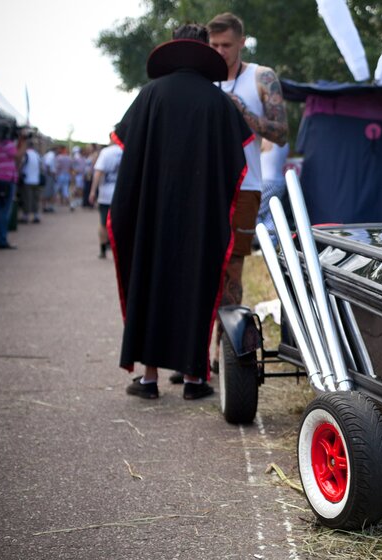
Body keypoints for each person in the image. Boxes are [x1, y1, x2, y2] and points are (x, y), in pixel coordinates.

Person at [108, 23, 253, 400]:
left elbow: (128, 158)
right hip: (200, 220)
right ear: (204, 50)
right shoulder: (217, 102)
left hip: (151, 218)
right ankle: (193, 379)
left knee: (150, 284)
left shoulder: (149, 95)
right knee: (196, 286)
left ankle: (150, 379)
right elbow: (237, 166)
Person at [165, 13, 287, 383]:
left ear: (241, 43)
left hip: (245, 187)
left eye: (225, 46)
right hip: (199, 190)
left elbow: (281, 134)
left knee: (231, 270)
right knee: (190, 269)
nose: (218, 52)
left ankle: (225, 356)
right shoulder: (197, 78)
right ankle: (191, 359)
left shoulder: (261, 76)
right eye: (213, 46)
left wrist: (243, 112)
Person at [0, 124, 21, 249]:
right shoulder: (8, 144)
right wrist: (22, 142)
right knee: (4, 211)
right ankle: (1, 239)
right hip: (7, 180)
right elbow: (18, 156)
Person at [89, 133, 121, 259]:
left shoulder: (106, 152)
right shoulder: (126, 150)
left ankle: (103, 249)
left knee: (103, 223)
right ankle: (118, 249)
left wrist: (93, 191)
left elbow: (98, 172)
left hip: (105, 194)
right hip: (121, 195)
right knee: (120, 223)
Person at [18, 136, 42, 224]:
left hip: (27, 180)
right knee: (35, 199)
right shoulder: (37, 155)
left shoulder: (25, 154)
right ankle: (35, 215)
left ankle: (26, 216)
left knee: (26, 199)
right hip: (36, 180)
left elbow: (20, 165)